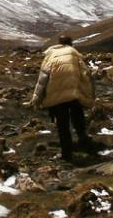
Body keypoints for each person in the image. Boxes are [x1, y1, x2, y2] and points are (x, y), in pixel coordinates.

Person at [28, 35, 95, 163]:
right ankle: (85, 142)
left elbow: (42, 80)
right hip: (75, 93)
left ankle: (66, 154)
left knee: (62, 125)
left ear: (59, 43)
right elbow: (86, 74)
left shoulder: (51, 55)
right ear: (71, 43)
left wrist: (36, 98)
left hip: (56, 95)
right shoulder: (75, 54)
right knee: (78, 118)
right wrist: (89, 96)